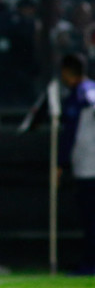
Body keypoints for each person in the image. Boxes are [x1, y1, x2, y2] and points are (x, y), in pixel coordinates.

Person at [58, 53, 95, 275]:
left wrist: (61, 163)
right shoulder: (91, 89)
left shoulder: (79, 96)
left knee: (89, 219)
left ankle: (89, 264)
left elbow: (69, 134)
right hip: (88, 165)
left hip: (87, 167)